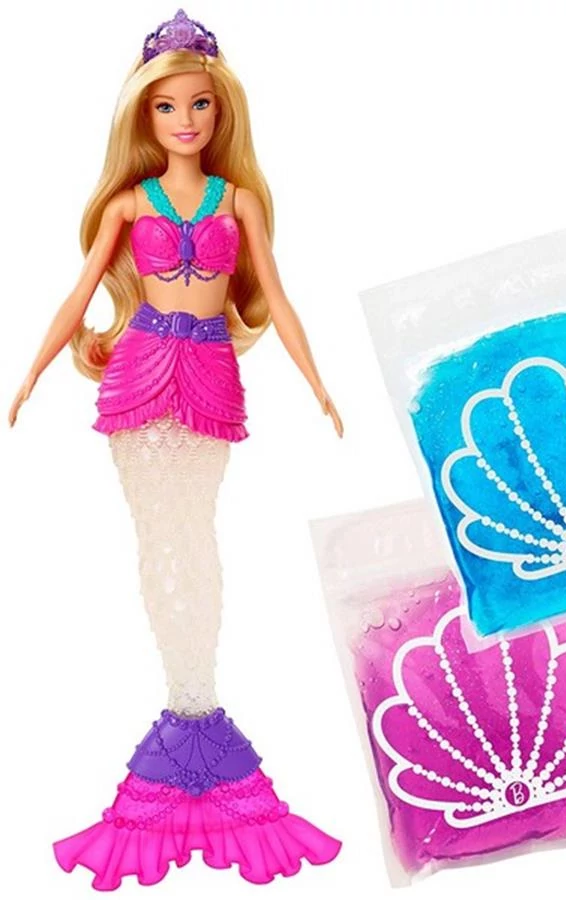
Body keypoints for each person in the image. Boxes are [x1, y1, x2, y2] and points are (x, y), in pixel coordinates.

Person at [8, 9, 342, 890]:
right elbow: (78, 296)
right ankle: (189, 703)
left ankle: (196, 703)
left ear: (220, 111)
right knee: (161, 535)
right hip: (140, 374)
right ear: (143, 116)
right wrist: (31, 373)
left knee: (198, 533)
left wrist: (317, 382)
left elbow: (277, 295)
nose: (184, 120)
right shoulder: (128, 205)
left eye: (198, 104)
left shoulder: (237, 201)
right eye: (166, 106)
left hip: (212, 376)